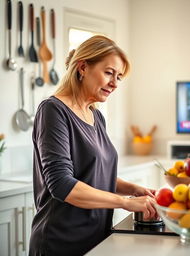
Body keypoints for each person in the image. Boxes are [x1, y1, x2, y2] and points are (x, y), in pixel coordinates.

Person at [29, 35, 157, 256]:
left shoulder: (96, 116)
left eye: (119, 77)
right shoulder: (53, 110)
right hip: (60, 242)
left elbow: (94, 173)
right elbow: (62, 185)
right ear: (82, 67)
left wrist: (132, 189)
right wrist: (124, 202)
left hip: (97, 239)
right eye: (109, 73)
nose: (115, 83)